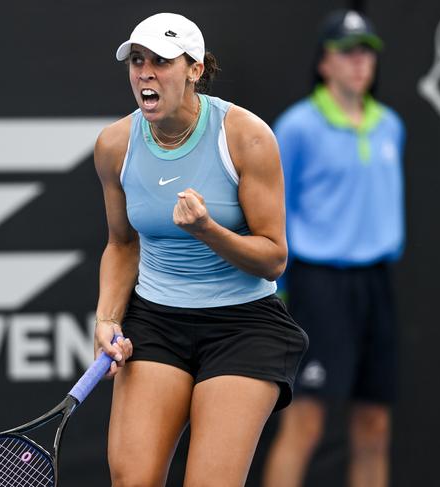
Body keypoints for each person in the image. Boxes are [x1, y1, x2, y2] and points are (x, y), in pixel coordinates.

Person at [92, 12, 308, 487]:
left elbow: (274, 257)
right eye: (137, 61)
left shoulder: (247, 137)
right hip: (156, 321)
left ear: (194, 69)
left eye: (161, 61)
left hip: (243, 326)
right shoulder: (114, 145)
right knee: (132, 480)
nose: (145, 73)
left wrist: (209, 230)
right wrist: (107, 318)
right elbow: (122, 245)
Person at [262, 9, 405, 487]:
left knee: (374, 426)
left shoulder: (389, 126)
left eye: (366, 52)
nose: (359, 63)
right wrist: (279, 290)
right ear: (325, 63)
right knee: (305, 423)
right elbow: (272, 211)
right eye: (347, 53)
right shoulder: (297, 127)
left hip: (376, 286)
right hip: (320, 288)